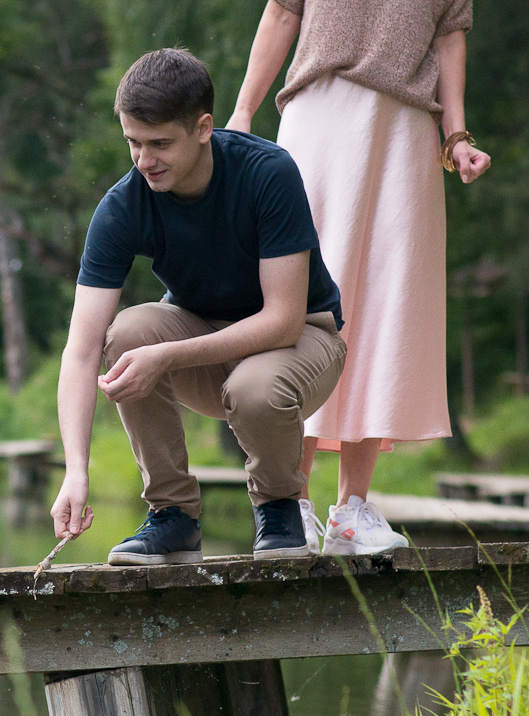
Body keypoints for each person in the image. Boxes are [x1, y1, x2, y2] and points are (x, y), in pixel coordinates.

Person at [226, 0, 490, 556]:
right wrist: (239, 117)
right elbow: (281, 13)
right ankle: (290, 504)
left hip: (406, 138)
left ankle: (354, 506)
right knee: (305, 305)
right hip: (317, 125)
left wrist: (457, 133)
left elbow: (451, 34)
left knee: (384, 306)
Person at [50, 48, 347, 563]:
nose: (144, 161)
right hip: (207, 350)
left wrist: (166, 358)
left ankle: (279, 507)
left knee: (254, 386)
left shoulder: (266, 173)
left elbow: (282, 321)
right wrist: (76, 470)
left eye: (160, 143)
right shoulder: (124, 206)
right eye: (133, 143)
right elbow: (80, 351)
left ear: (204, 127)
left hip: (303, 341)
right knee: (127, 333)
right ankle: (173, 517)